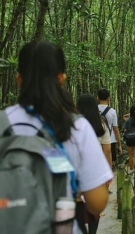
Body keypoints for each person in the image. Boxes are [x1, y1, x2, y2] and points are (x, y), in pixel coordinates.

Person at [3, 40, 113, 234]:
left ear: (18, 79)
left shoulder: (3, 124)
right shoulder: (77, 127)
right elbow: (96, 203)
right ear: (62, 78)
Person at [76, 94, 112, 234]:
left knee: (77, 205)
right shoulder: (101, 123)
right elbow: (107, 151)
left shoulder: (71, 123)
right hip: (94, 172)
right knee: (94, 209)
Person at [97, 88, 122, 165]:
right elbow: (116, 129)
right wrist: (119, 144)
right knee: (108, 163)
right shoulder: (112, 111)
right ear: (109, 98)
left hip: (96, 140)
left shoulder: (93, 109)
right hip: (110, 140)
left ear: (97, 97)